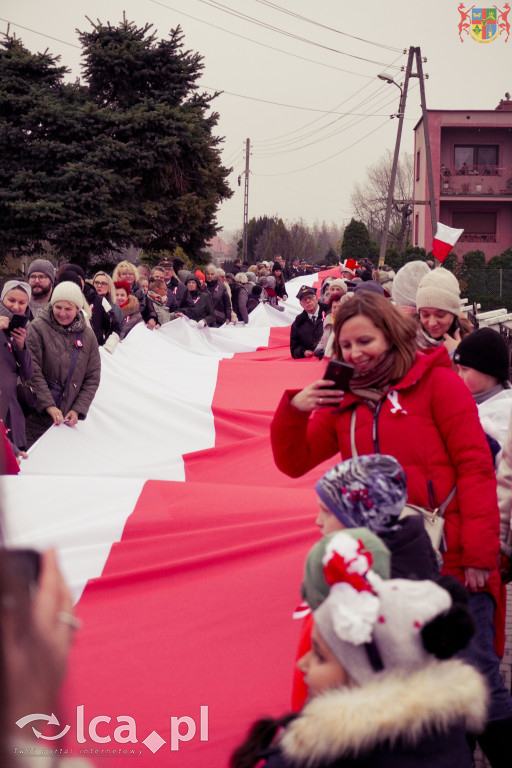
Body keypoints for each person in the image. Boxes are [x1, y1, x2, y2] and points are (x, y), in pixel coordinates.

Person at [271, 291, 511, 764]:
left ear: (390, 336)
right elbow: (295, 462)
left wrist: (482, 554)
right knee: (415, 679)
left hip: (455, 558)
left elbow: (475, 467)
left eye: (366, 340)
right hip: (383, 562)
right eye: (346, 345)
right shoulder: (344, 404)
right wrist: (297, 409)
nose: (356, 353)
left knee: (477, 673)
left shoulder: (440, 385)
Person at [231, 533, 485, 768]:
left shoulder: (312, 757)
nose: (302, 664)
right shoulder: (443, 735)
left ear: (365, 675)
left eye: (320, 656)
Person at [24, 282, 101, 447]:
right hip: (36, 415)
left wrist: (78, 409)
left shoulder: (88, 335)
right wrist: (49, 406)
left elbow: (92, 376)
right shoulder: (37, 328)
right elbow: (32, 371)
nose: (62, 313)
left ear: (78, 309)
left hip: (67, 418)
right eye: (58, 307)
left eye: (68, 309)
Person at [454, 327, 512, 463]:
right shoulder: (475, 403)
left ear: (487, 371)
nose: (458, 376)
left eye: (464, 369)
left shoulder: (502, 415)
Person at [0, 281, 34, 454]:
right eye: (11, 300)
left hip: (12, 414)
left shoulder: (22, 328)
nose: (16, 306)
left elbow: (28, 373)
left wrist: (21, 347)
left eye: (22, 303)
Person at [415, 267, 465, 355]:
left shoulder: (472, 344)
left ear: (454, 314)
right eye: (425, 315)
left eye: (440, 315)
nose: (432, 323)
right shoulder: (406, 344)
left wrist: (459, 356)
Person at [289, 286, 328, 359]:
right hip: (311, 361)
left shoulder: (329, 312)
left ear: (316, 298)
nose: (308, 301)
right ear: (301, 304)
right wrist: (303, 352)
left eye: (310, 297)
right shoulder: (298, 323)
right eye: (304, 299)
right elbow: (294, 348)